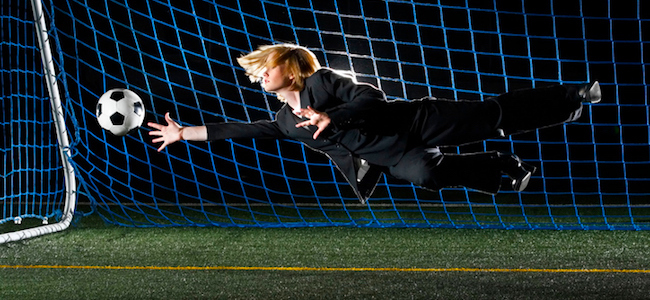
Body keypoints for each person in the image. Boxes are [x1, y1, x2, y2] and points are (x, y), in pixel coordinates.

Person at [148, 43, 601, 203]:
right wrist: (182, 132)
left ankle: (568, 97)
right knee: (427, 175)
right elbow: (242, 129)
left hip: (416, 120)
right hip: (394, 153)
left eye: (270, 65)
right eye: (258, 69)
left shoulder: (323, 82)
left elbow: (371, 97)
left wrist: (332, 115)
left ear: (291, 66)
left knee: (490, 115)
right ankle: (499, 165)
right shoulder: (285, 121)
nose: (262, 73)